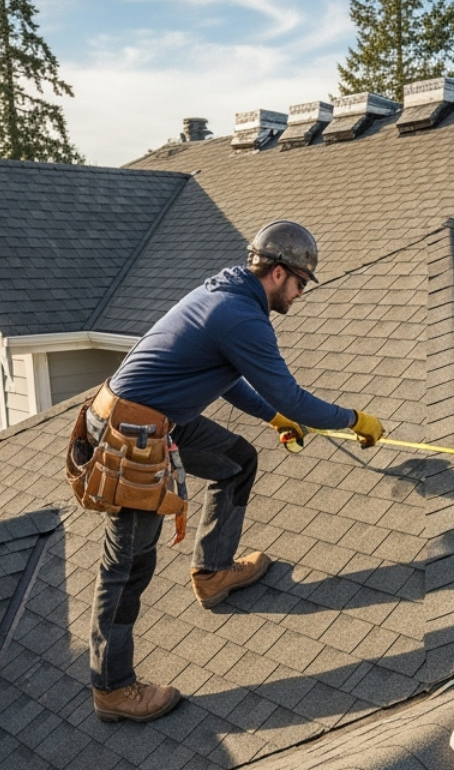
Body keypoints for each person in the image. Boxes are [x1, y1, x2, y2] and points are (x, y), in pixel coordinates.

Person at [86, 220, 384, 723]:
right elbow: (292, 395)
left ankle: (213, 572)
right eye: (301, 283)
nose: (301, 294)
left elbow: (225, 377)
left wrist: (273, 418)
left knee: (237, 461)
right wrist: (354, 420)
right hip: (132, 437)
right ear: (276, 272)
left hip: (159, 420)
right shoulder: (241, 316)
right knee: (128, 565)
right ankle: (113, 688)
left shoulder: (228, 292)